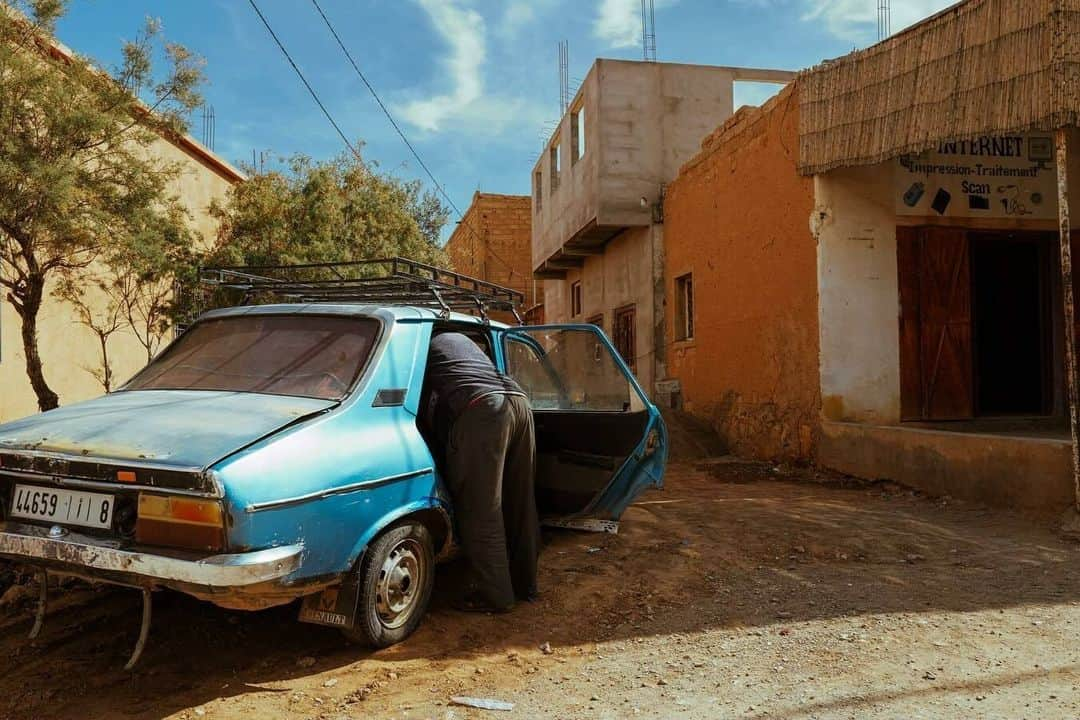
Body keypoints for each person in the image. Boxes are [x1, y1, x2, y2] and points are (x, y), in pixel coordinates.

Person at [419, 331, 540, 612]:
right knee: (520, 501)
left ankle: (496, 598)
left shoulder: (420, 346)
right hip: (518, 400)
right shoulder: (460, 341)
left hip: (482, 408)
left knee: (481, 509)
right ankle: (527, 587)